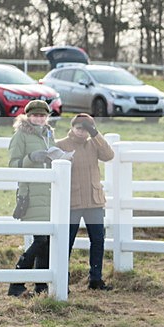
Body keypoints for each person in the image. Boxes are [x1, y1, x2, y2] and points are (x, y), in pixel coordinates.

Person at [56, 113, 115, 290]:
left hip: (94, 201)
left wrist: (95, 134)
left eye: (86, 129)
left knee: (98, 240)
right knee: (67, 241)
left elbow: (109, 155)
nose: (82, 133)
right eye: (79, 128)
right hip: (72, 201)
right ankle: (62, 279)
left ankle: (95, 279)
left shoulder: (94, 144)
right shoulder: (61, 145)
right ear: (72, 127)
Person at [7, 100, 57, 296]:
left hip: (50, 193)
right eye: (35, 115)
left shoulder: (49, 135)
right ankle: (16, 283)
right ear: (28, 116)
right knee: (41, 240)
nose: (39, 118)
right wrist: (31, 158)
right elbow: (13, 165)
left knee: (46, 241)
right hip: (31, 194)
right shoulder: (20, 135)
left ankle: (40, 286)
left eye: (42, 115)